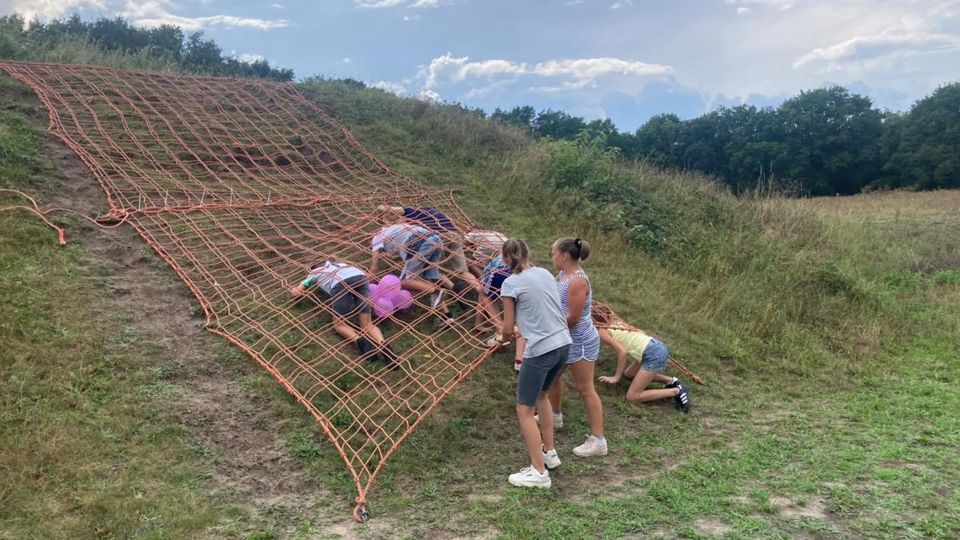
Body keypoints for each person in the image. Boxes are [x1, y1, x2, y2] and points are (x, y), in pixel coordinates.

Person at [499, 239, 571, 489]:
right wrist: (523, 329)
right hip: (563, 344)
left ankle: (538, 472)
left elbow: (507, 328)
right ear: (528, 253)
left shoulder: (510, 284)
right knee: (542, 397)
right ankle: (549, 454)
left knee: (524, 410)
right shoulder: (545, 273)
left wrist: (506, 338)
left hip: (540, 350)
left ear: (506, 260)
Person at [543, 237, 607, 458]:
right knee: (551, 378)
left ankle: (599, 441)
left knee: (585, 388)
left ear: (564, 256)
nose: (552, 257)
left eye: (553, 253)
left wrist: (547, 324)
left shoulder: (578, 281)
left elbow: (574, 317)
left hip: (579, 341)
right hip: (562, 338)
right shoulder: (562, 275)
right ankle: (554, 416)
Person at [290, 260, 398, 369]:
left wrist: (294, 290)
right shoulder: (341, 264)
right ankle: (385, 348)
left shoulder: (315, 272)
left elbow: (298, 292)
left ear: (313, 268)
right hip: (360, 277)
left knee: (339, 324)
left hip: (340, 282)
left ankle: (362, 343)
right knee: (367, 324)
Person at [592, 305, 691, 412]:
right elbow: (607, 309)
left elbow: (622, 352)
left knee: (633, 397)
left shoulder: (602, 331)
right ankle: (671, 381)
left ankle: (676, 391)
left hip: (653, 354)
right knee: (629, 374)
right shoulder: (615, 320)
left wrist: (616, 377)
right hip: (652, 346)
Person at [377, 205, 480, 294]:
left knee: (427, 268)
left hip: (440, 237)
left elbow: (383, 208)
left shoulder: (409, 212)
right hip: (454, 235)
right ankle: (480, 291)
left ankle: (450, 287)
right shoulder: (430, 213)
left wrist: (381, 216)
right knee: (462, 271)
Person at [369, 222, 453, 325]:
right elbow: (406, 250)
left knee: (404, 281)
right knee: (427, 280)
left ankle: (436, 291)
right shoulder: (395, 227)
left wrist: (366, 289)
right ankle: (446, 316)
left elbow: (374, 268)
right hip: (436, 240)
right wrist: (395, 257)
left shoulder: (377, 237)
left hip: (419, 244)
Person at [480, 252, 526, 370]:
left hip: (497, 275)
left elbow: (484, 291)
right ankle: (519, 360)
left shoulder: (497, 264)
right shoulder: (531, 268)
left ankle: (501, 331)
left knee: (484, 294)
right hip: (521, 279)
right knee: (523, 311)